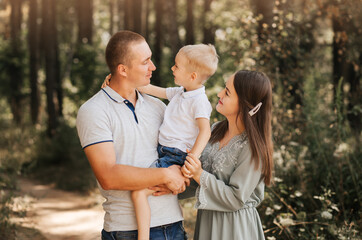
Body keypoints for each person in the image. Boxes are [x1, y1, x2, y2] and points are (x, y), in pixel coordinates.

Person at [76, 30, 189, 240]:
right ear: (123, 69)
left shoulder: (159, 106)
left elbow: (178, 152)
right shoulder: (93, 111)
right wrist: (166, 175)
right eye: (145, 61)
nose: (153, 66)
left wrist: (182, 176)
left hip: (173, 226)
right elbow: (108, 176)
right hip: (126, 230)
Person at [102, 44, 219, 240]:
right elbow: (147, 88)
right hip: (165, 152)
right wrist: (115, 82)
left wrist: (191, 160)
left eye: (177, 66)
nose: (172, 69)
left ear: (192, 76)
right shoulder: (180, 92)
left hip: (176, 155)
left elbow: (205, 131)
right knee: (143, 189)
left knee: (139, 193)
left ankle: (143, 237)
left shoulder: (199, 101)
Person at [180, 70, 274, 240]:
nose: (219, 94)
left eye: (227, 92)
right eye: (224, 88)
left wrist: (198, 174)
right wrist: (168, 184)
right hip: (207, 221)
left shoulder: (253, 148)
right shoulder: (214, 130)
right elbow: (198, 181)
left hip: (235, 228)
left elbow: (236, 198)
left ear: (246, 104)